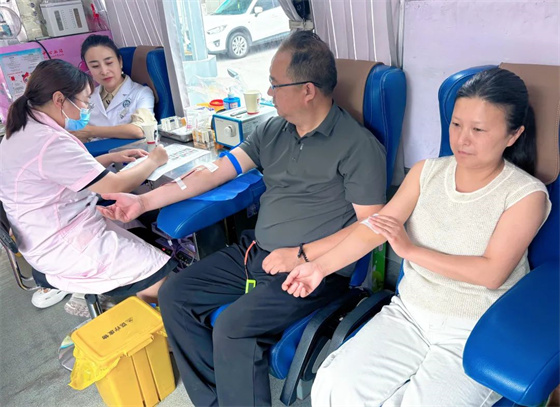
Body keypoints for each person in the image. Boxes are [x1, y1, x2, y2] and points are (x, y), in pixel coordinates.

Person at [99, 31, 387, 406]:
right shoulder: (272, 130)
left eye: (275, 84)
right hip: (254, 253)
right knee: (175, 294)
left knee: (233, 328)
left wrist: (300, 254)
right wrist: (142, 202)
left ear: (307, 91)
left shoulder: (357, 146)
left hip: (313, 270)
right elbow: (216, 172)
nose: (269, 92)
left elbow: (371, 227)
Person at [280, 68, 552, 406]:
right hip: (409, 314)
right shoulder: (427, 172)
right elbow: (376, 227)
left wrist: (410, 250)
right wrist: (319, 267)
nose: (462, 140)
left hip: (476, 330)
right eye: (456, 124)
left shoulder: (525, 194)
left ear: (513, 135)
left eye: (479, 130)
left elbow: (491, 273)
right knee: (335, 386)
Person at [0, 59, 175, 308]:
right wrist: (154, 159)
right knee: (156, 271)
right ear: (59, 99)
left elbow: (60, 172)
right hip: (59, 242)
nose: (86, 109)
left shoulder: (24, 127)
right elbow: (115, 186)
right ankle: (154, 319)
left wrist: (109, 158)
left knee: (137, 228)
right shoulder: (48, 141)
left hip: (44, 229)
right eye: (83, 102)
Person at [71, 34, 155, 142]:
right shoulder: (87, 97)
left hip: (134, 151)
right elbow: (77, 132)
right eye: (95, 66)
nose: (104, 71)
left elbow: (140, 130)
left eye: (109, 63)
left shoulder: (141, 93)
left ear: (120, 62)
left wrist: (91, 131)